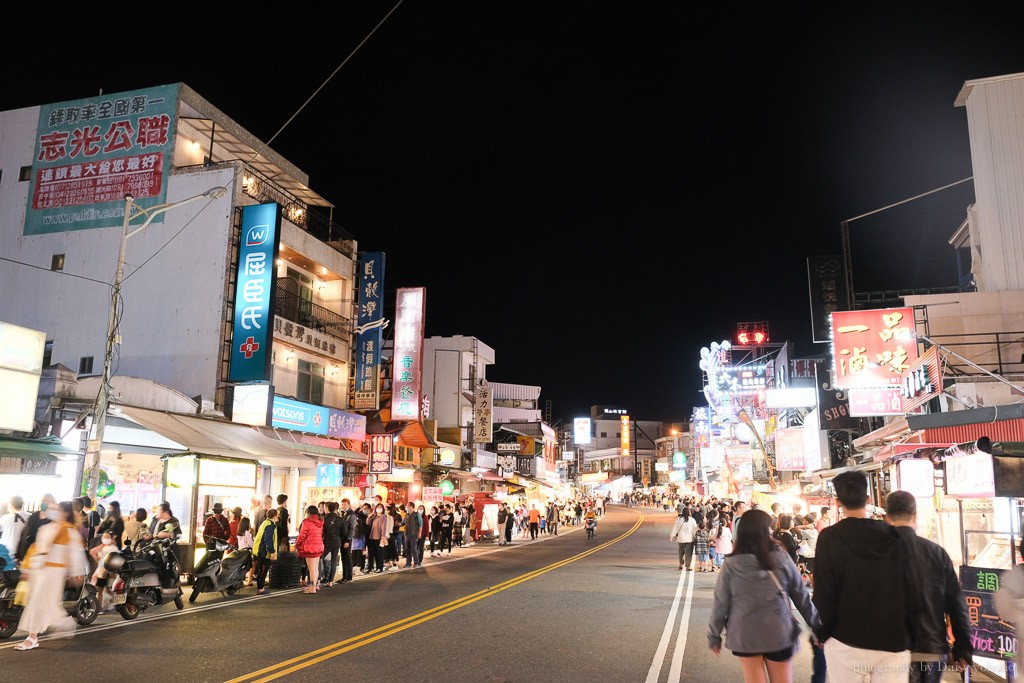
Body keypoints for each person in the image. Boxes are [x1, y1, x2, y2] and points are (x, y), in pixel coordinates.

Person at [813, 471, 921, 682]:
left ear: (837, 502)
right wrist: (912, 633)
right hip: (893, 640)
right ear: (868, 500)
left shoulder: (829, 538)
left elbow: (824, 592)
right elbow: (913, 588)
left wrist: (822, 633)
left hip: (845, 640)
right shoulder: (895, 536)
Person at [708, 509, 820, 683]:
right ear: (765, 530)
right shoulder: (780, 557)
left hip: (745, 634)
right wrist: (817, 625)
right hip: (778, 632)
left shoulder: (731, 563)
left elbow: (721, 602)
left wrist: (714, 635)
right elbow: (800, 594)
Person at [886, 491, 972, 681]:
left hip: (890, 649)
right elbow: (956, 605)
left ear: (887, 517)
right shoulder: (936, 553)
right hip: (932, 646)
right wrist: (963, 649)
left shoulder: (876, 553)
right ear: (915, 516)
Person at [15, 500, 87, 651]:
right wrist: (27, 568)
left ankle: (32, 638)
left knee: (38, 602)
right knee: (44, 603)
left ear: (65, 513)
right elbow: (36, 549)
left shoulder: (69, 531)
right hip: (39, 570)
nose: (54, 511)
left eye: (58, 509)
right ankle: (64, 623)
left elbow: (76, 554)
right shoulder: (45, 528)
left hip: (54, 571)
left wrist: (77, 572)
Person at [295, 505, 324, 593]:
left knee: (312, 569)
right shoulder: (320, 521)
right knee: (315, 568)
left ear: (308, 512)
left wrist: (297, 544)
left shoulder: (307, 522)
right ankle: (315, 586)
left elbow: (302, 535)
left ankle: (312, 588)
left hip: (310, 547)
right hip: (319, 546)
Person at [88, 530, 118, 611]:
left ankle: (111, 603)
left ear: (111, 538)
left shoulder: (113, 548)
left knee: (104, 589)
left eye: (107, 537)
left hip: (107, 572)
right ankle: (100, 606)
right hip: (102, 570)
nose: (105, 539)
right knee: (101, 589)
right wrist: (97, 559)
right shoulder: (103, 546)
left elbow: (93, 552)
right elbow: (92, 552)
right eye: (104, 537)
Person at [252, 508, 278, 594]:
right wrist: (272, 551)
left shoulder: (265, 523)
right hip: (263, 551)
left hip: (259, 550)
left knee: (262, 569)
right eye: (277, 516)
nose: (278, 517)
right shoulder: (270, 525)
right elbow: (268, 539)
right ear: (274, 517)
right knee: (263, 570)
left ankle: (261, 587)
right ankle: (260, 588)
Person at [320, 501, 342, 587]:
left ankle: (319, 578)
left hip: (326, 542)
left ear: (327, 509)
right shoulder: (339, 519)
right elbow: (344, 531)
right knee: (333, 561)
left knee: (319, 559)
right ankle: (330, 581)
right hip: (336, 542)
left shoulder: (324, 519)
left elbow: (321, 531)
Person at [0, 495, 27, 562]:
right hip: (22, 553)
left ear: (11, 505)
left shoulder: (5, 518)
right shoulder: (30, 517)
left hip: (6, 552)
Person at [338, 498, 357, 583]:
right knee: (343, 558)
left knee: (347, 558)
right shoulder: (343, 514)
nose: (343, 506)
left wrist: (348, 540)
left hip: (347, 539)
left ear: (348, 504)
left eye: (345, 504)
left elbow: (352, 529)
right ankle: (344, 576)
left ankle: (349, 577)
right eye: (342, 504)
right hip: (342, 538)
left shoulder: (351, 514)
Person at [366, 502, 388, 573]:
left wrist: (383, 536)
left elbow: (383, 527)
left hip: (379, 537)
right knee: (374, 553)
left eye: (381, 508)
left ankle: (380, 567)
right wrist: (370, 516)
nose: (379, 509)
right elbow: (368, 523)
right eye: (378, 508)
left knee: (380, 553)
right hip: (372, 536)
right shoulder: (374, 516)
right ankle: (376, 567)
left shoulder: (383, 516)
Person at [403, 502, 421, 567]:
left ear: (411, 507)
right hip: (407, 534)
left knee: (414, 549)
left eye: (407, 506)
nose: (406, 507)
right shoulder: (406, 515)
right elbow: (403, 523)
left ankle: (416, 562)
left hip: (414, 534)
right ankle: (408, 563)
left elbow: (420, 524)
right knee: (407, 549)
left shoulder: (416, 514)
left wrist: (419, 533)